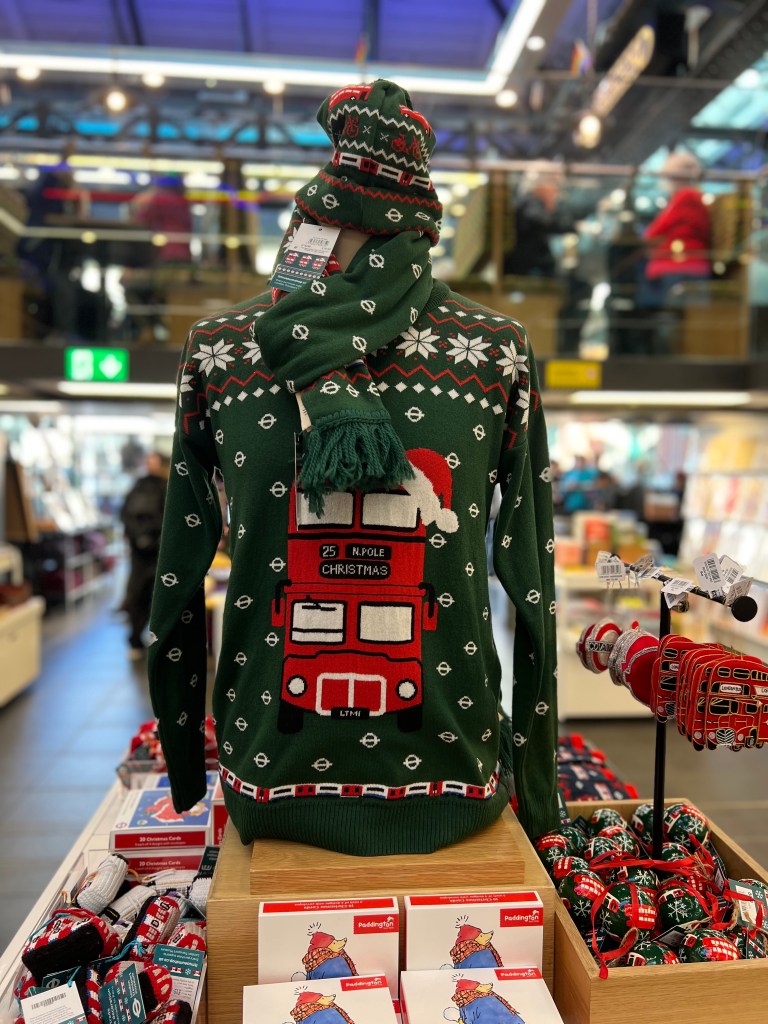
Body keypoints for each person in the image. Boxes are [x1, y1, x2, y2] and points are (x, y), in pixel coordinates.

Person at [643, 151, 711, 307]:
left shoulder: (686, 196)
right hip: (685, 265)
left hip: (682, 266)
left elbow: (654, 232)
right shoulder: (690, 197)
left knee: (676, 317)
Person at [119, 452, 169, 658]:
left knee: (159, 594)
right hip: (139, 553)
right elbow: (125, 515)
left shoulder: (167, 486)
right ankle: (135, 638)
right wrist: (138, 537)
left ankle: (159, 639)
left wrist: (157, 539)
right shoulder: (137, 487)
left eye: (153, 461)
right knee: (137, 593)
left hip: (160, 550)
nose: (150, 465)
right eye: (147, 461)